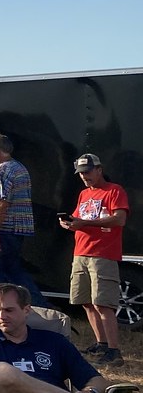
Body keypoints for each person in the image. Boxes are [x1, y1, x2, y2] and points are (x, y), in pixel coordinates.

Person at [0, 283, 107, 393]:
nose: (1, 316)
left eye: (9, 310)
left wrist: (89, 391)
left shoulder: (54, 341)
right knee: (1, 371)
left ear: (26, 310)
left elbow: (98, 381)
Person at [59, 153, 129, 368]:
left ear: (99, 169)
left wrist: (84, 224)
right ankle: (101, 343)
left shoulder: (114, 191)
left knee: (103, 303)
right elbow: (79, 219)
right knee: (87, 302)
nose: (84, 176)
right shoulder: (84, 194)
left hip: (103, 254)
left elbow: (120, 219)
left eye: (88, 172)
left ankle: (114, 351)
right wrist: (70, 224)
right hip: (81, 252)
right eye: (81, 173)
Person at [0, 134, 45, 305]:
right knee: (14, 276)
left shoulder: (4, 169)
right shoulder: (18, 167)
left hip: (1, 232)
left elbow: (1, 202)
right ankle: (38, 307)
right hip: (12, 233)